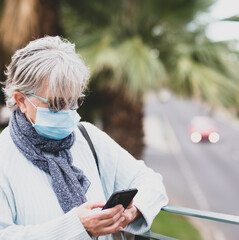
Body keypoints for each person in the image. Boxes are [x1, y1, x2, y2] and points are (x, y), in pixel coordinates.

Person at [0, 36, 168, 239]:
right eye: (55, 105)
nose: (67, 112)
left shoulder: (88, 137)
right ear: (21, 100)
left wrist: (134, 210)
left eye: (74, 102)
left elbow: (150, 181)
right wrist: (78, 227)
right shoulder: (4, 157)